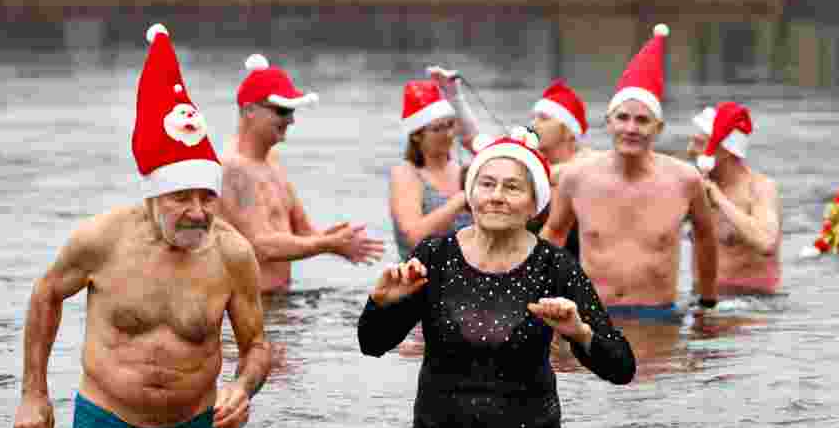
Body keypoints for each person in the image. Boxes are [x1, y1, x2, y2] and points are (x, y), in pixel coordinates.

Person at [13, 24, 270, 428]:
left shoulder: (232, 254)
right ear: (152, 195)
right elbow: (47, 294)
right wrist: (34, 393)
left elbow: (257, 345)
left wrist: (242, 389)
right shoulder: (102, 239)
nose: (198, 211)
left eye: (207, 197)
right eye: (181, 198)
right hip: (107, 422)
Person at [358, 131, 636, 428]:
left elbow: (622, 369)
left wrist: (579, 333)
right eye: (487, 184)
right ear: (471, 193)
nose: (497, 196)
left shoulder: (554, 265)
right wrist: (382, 304)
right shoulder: (434, 256)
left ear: (535, 204)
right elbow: (372, 345)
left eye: (512, 187)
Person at [541, 24, 719, 321]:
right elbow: (554, 234)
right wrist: (532, 292)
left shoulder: (685, 180)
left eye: (642, 120)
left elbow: (705, 236)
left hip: (659, 315)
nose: (631, 128)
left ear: (658, 128)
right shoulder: (577, 177)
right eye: (622, 118)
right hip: (594, 315)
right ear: (608, 123)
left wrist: (708, 301)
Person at [217, 53, 385, 293]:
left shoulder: (272, 161)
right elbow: (262, 245)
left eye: (293, 111)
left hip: (280, 301)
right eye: (282, 111)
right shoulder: (232, 169)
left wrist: (338, 241)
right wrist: (326, 244)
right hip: (247, 305)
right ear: (249, 111)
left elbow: (303, 231)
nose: (292, 120)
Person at [428, 66, 592, 256]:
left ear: (570, 131)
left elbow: (584, 168)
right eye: (534, 117)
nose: (534, 124)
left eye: (544, 118)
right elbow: (473, 139)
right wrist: (453, 96)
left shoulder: (588, 165)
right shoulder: (527, 161)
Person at [687, 101, 781, 295]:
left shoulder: (760, 188)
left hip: (752, 307)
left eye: (698, 144)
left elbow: (767, 242)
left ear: (725, 151)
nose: (690, 151)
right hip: (702, 301)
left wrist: (719, 200)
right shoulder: (691, 187)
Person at [389, 79, 473, 261]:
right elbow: (414, 238)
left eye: (451, 125)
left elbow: (480, 142)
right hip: (421, 277)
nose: (449, 134)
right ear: (417, 135)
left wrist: (456, 96)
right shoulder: (406, 174)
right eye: (437, 129)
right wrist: (460, 200)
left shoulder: (466, 169)